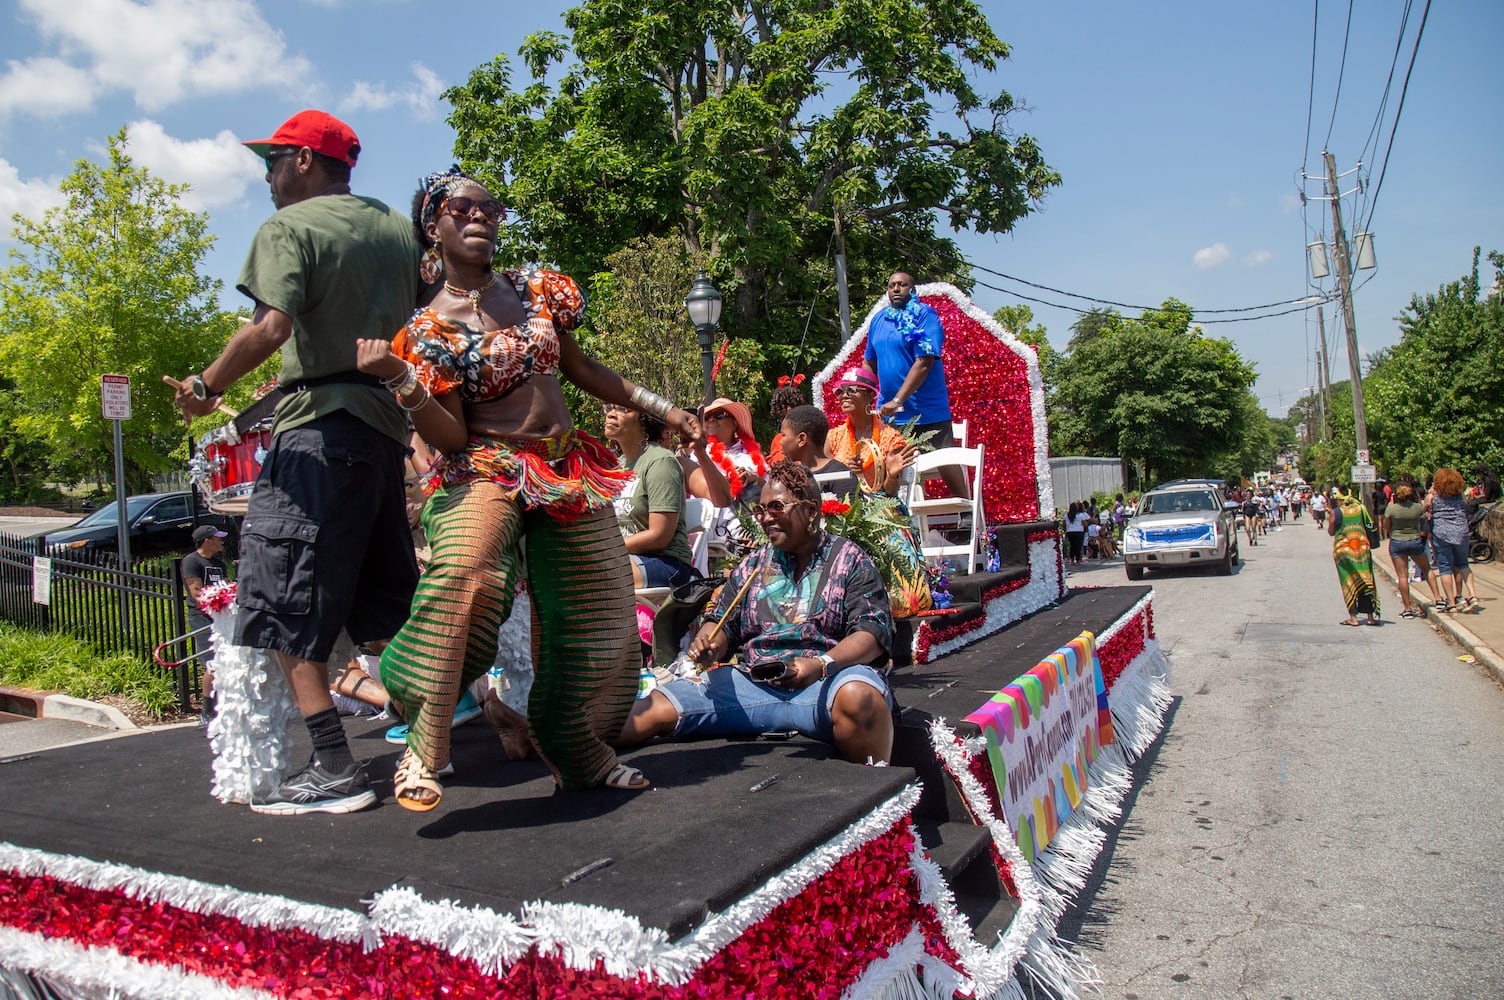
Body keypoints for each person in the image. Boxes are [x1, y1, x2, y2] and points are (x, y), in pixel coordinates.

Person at [355, 168, 700, 811]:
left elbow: (582, 367)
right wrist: (403, 379)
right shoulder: (427, 328)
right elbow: (452, 435)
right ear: (434, 226)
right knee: (468, 579)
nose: (482, 216)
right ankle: (423, 746)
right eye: (464, 208)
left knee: (598, 610)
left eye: (492, 207)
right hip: (485, 467)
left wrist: (663, 406)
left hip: (567, 468)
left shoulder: (533, 288)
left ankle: (579, 753)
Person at [172, 110, 421, 816]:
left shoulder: (289, 228)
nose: (267, 175)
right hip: (384, 430)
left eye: (273, 161)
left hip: (315, 430)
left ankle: (336, 766)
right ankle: (446, 732)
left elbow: (270, 327)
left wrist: (204, 389)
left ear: (306, 161)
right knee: (387, 609)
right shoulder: (398, 232)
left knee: (281, 590)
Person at [617, 461, 896, 764]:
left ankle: (873, 798)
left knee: (861, 699)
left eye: (776, 507)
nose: (765, 519)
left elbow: (871, 632)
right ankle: (580, 756)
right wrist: (710, 643)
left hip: (828, 683)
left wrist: (821, 664)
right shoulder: (754, 565)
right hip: (754, 684)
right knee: (651, 709)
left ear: (812, 510)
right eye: (761, 511)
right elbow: (722, 621)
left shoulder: (848, 558)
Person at [861, 271, 968, 499]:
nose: (896, 289)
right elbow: (869, 362)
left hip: (927, 409)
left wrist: (898, 399)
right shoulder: (878, 320)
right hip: (890, 414)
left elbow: (924, 362)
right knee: (885, 465)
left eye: (902, 285)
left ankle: (966, 512)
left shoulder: (925, 316)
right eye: (892, 285)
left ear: (913, 289)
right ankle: (892, 517)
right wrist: (864, 394)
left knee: (944, 458)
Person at [604, 402, 699, 589]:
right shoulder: (616, 467)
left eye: (622, 409)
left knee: (598, 574)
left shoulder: (660, 461)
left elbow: (659, 536)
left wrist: (608, 548)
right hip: (623, 558)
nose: (611, 414)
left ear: (644, 420)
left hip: (667, 562)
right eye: (609, 408)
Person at [826, 368, 919, 498]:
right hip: (842, 506)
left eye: (851, 389)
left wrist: (892, 476)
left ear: (870, 395)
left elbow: (890, 492)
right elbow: (825, 481)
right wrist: (848, 473)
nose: (844, 395)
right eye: (840, 391)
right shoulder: (833, 438)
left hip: (879, 508)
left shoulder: (891, 438)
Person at [182, 526, 229, 726]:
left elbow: (226, 586)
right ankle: (207, 711)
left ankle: (224, 706)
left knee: (226, 661)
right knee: (213, 663)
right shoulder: (192, 561)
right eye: (218, 538)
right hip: (202, 616)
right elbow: (197, 593)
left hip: (221, 616)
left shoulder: (219, 563)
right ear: (206, 540)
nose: (222, 541)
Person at [780, 404, 861, 499]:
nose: (780, 442)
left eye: (783, 435)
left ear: (802, 439)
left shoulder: (841, 477)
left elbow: (853, 512)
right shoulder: (791, 476)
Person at [1382, 484, 1440, 618]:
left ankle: (1407, 609)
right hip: (1415, 541)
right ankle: (1438, 598)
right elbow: (1424, 514)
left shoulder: (1392, 509)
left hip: (1397, 542)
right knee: (1427, 569)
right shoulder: (1417, 508)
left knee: (1402, 576)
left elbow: (1386, 526)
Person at [1425, 467, 1478, 612]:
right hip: (1461, 532)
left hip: (1441, 534)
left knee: (1445, 568)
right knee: (1463, 564)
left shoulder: (1433, 498)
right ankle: (1473, 596)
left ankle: (1451, 602)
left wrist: (1430, 493)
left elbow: (1424, 509)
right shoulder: (1460, 496)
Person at [1328, 488, 1381, 626]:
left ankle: (1353, 617)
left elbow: (1331, 532)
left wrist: (1330, 517)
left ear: (1339, 499)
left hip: (1343, 552)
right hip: (1362, 550)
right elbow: (1370, 524)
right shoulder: (1361, 509)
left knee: (1348, 582)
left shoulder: (1336, 512)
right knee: (1366, 580)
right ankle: (1370, 617)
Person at [766, 374, 807, 464]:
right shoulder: (778, 439)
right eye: (784, 405)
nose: (789, 409)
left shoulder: (809, 436)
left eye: (792, 405)